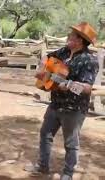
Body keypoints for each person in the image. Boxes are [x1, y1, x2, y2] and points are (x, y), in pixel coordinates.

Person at [29, 22, 99, 180]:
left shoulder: (89, 60)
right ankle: (42, 166)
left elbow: (87, 88)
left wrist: (69, 85)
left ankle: (67, 174)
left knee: (71, 143)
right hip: (55, 103)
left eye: (72, 35)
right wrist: (42, 67)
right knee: (45, 134)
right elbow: (48, 57)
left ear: (80, 40)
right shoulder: (64, 51)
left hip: (74, 108)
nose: (68, 36)